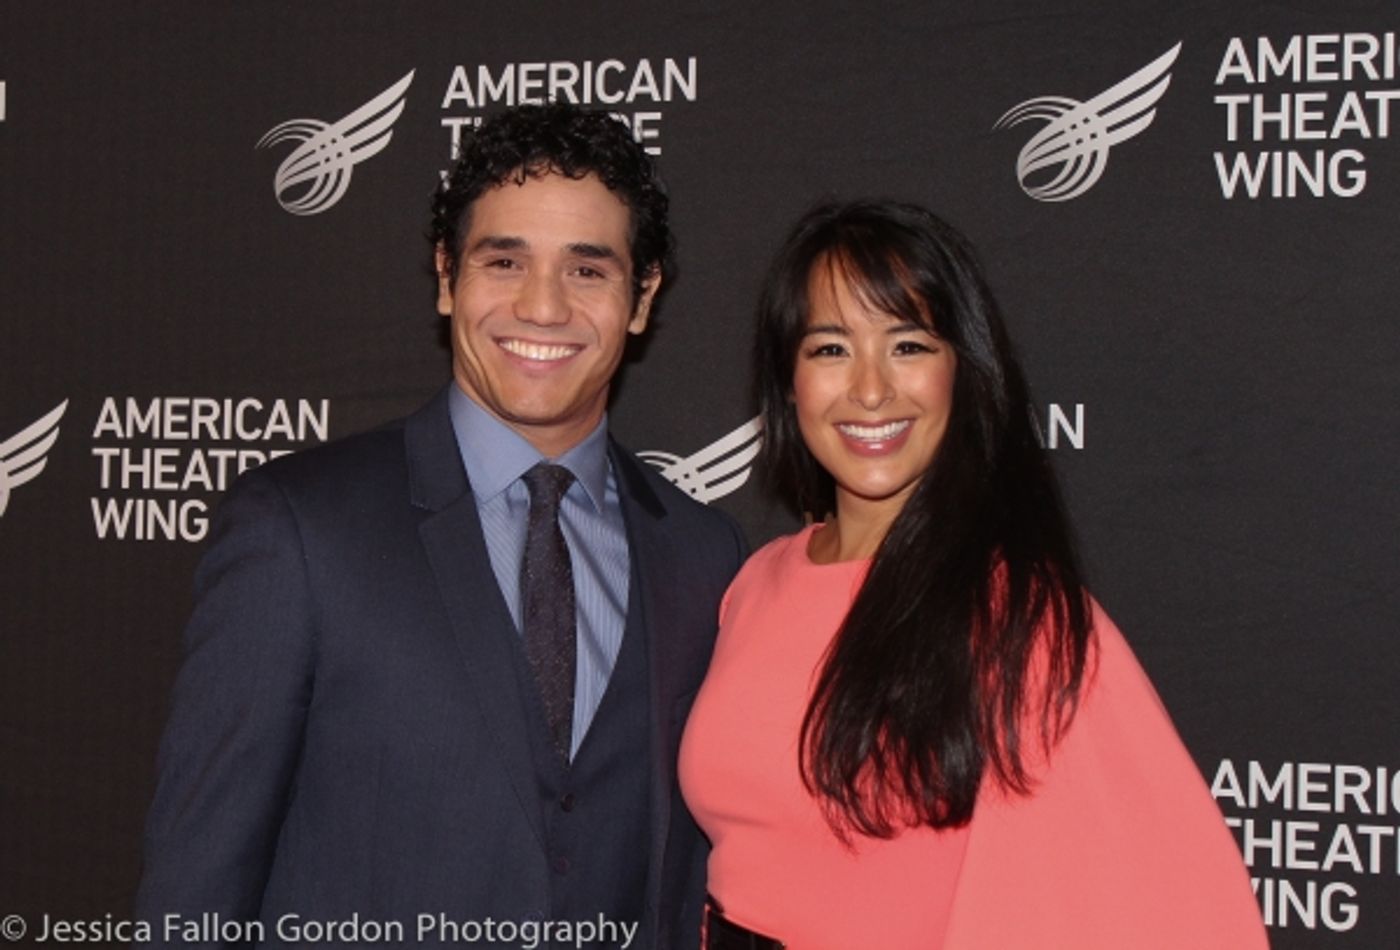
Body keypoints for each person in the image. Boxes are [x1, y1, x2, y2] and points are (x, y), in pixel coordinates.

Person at [135, 103, 747, 949]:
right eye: (505, 261)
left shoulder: (701, 553)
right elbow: (196, 890)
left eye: (586, 269)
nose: (542, 306)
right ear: (446, 276)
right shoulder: (299, 529)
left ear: (641, 297)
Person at [678, 199, 1267, 949]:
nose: (870, 389)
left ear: (961, 369)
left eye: (908, 345)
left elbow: (1173, 907)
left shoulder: (1019, 616)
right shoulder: (756, 583)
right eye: (830, 349)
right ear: (788, 383)